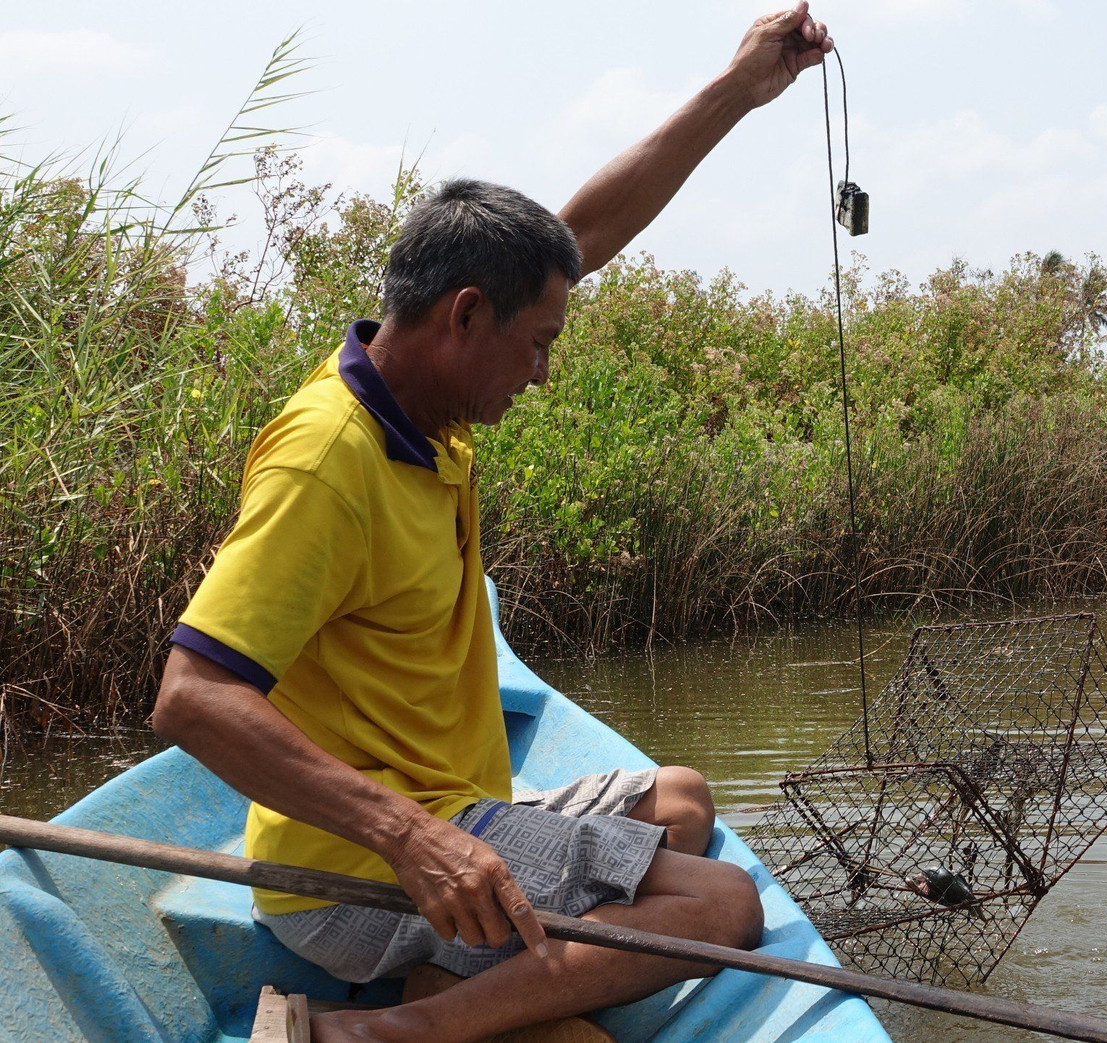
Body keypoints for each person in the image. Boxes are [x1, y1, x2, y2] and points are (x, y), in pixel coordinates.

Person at [152, 6, 832, 1041]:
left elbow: (582, 235)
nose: (542, 372)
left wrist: (736, 89)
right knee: (720, 904)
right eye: (537, 345)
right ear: (465, 314)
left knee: (682, 799)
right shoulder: (330, 459)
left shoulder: (424, 399)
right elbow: (192, 697)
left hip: (443, 806)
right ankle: (384, 1030)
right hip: (347, 870)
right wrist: (414, 836)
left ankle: (443, 987)